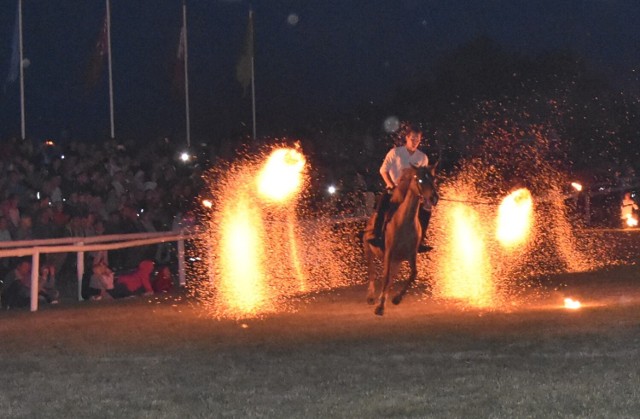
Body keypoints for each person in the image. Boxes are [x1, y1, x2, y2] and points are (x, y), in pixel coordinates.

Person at [368, 123, 433, 252]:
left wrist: (425, 194)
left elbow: (423, 178)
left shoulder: (422, 158)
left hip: (413, 193)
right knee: (382, 205)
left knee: (427, 208)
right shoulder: (395, 153)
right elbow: (383, 170)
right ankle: (377, 236)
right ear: (407, 138)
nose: (415, 142)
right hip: (395, 190)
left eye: (418, 139)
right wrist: (390, 184)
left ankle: (420, 240)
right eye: (412, 139)